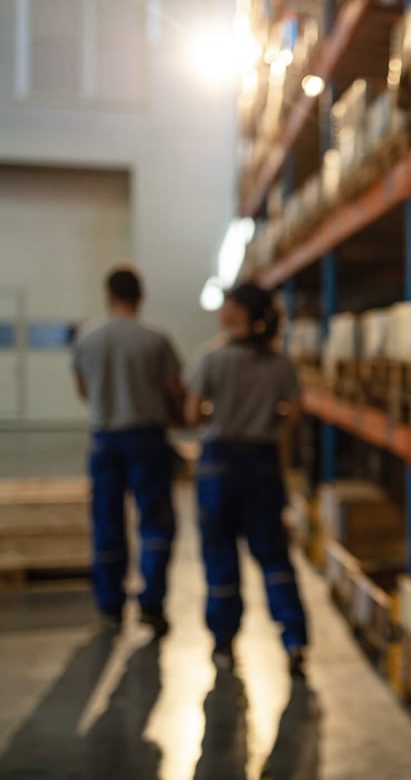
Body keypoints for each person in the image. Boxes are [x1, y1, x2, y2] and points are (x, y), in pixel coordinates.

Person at [185, 283, 309, 675]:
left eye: (227, 304)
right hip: (261, 465)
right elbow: (295, 413)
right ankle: (293, 640)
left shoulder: (213, 359)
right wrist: (268, 414)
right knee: (273, 555)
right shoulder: (279, 363)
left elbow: (191, 414)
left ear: (238, 310)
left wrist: (216, 411)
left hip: (218, 465)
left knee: (220, 555)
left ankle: (223, 644)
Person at [73, 266, 182, 636]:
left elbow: (84, 389)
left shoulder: (87, 337)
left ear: (109, 294)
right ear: (141, 294)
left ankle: (110, 606)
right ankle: (152, 605)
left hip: (104, 438)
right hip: (147, 438)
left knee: (107, 521)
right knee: (154, 521)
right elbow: (174, 391)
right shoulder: (155, 340)